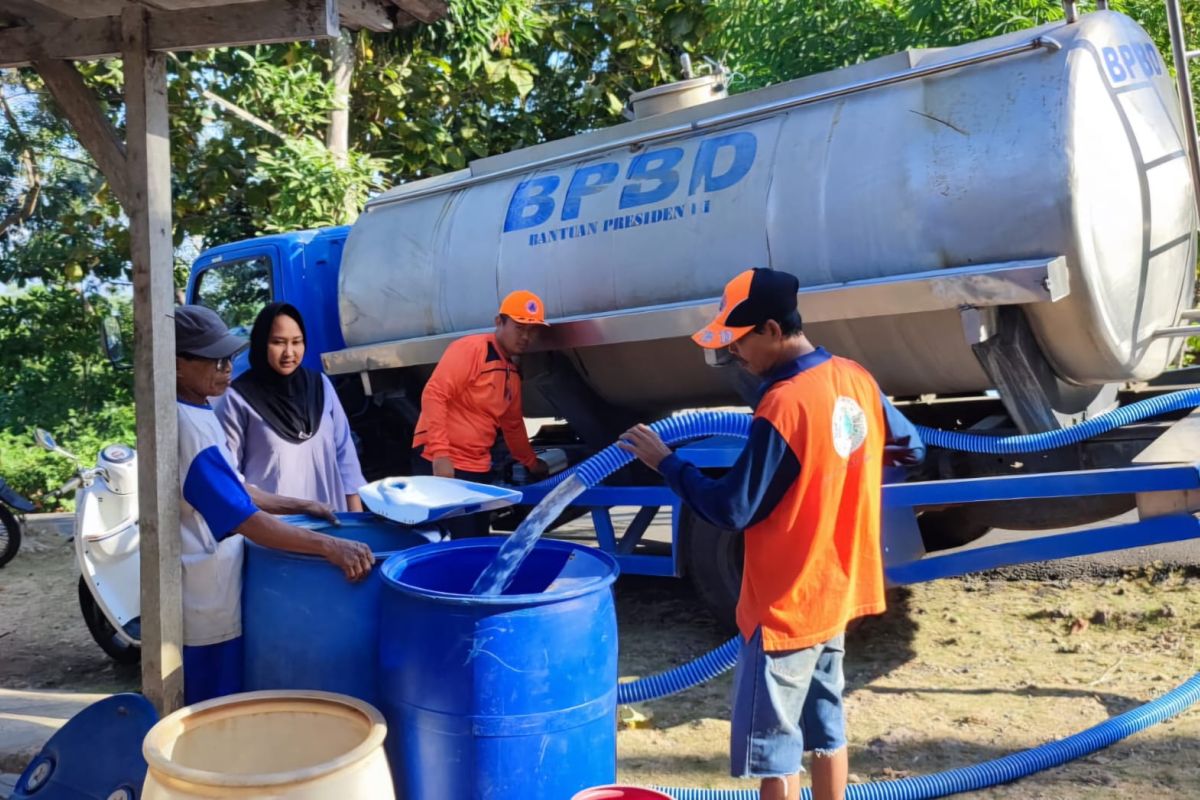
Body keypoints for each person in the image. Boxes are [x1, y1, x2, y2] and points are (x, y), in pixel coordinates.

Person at [617, 268, 925, 800]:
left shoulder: (784, 403)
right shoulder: (853, 376)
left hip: (786, 603)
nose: (736, 354)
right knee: (827, 728)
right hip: (837, 590)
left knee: (775, 748)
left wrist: (667, 463)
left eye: (739, 342)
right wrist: (838, 475)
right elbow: (909, 448)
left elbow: (731, 508)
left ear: (770, 330)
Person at [174, 305, 375, 706]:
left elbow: (236, 486)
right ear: (176, 365)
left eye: (229, 357)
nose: (226, 367)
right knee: (214, 708)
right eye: (214, 360)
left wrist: (300, 504)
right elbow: (243, 516)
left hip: (228, 581)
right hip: (208, 595)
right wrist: (329, 546)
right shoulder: (190, 426)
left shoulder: (200, 409)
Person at [410, 290, 551, 538]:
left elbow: (513, 425)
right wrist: (441, 456)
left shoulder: (512, 373)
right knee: (445, 543)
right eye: (520, 327)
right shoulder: (472, 349)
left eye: (532, 330)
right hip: (444, 463)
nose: (526, 336)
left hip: (476, 466)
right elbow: (434, 394)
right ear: (499, 322)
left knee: (475, 540)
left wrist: (532, 463)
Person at [216, 303, 366, 513]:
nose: (289, 352)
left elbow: (345, 457)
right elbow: (229, 477)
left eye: (297, 342)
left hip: (332, 528)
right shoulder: (237, 398)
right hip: (274, 535)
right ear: (261, 343)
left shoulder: (320, 386)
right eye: (278, 342)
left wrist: (356, 519)